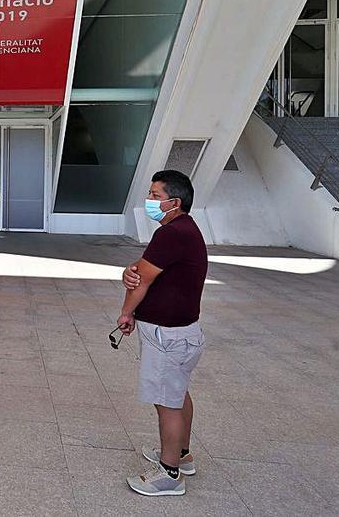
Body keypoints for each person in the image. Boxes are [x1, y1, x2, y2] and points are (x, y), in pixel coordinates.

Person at [117, 169, 208, 497]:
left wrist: (126, 312)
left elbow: (141, 278)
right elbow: (142, 271)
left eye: (155, 196)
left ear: (175, 202)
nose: (150, 201)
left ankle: (169, 474)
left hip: (168, 337)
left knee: (166, 401)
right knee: (178, 392)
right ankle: (182, 456)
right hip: (182, 334)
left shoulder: (172, 233)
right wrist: (134, 273)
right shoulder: (185, 230)